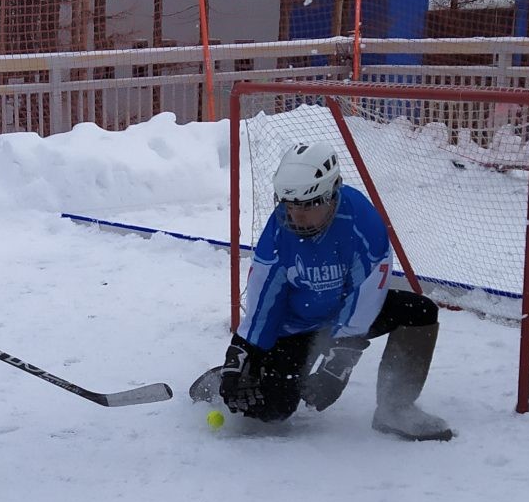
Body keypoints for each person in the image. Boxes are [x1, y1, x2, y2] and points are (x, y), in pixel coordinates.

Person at [193, 141, 453, 440]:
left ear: (332, 193)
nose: (296, 215)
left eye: (307, 204)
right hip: (294, 328)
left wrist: (339, 362)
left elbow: (367, 295)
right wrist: (240, 354)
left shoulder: (363, 223)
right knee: (274, 413)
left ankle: (396, 409)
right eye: (289, 204)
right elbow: (264, 300)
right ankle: (217, 379)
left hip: (345, 316)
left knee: (419, 311)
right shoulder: (278, 231)